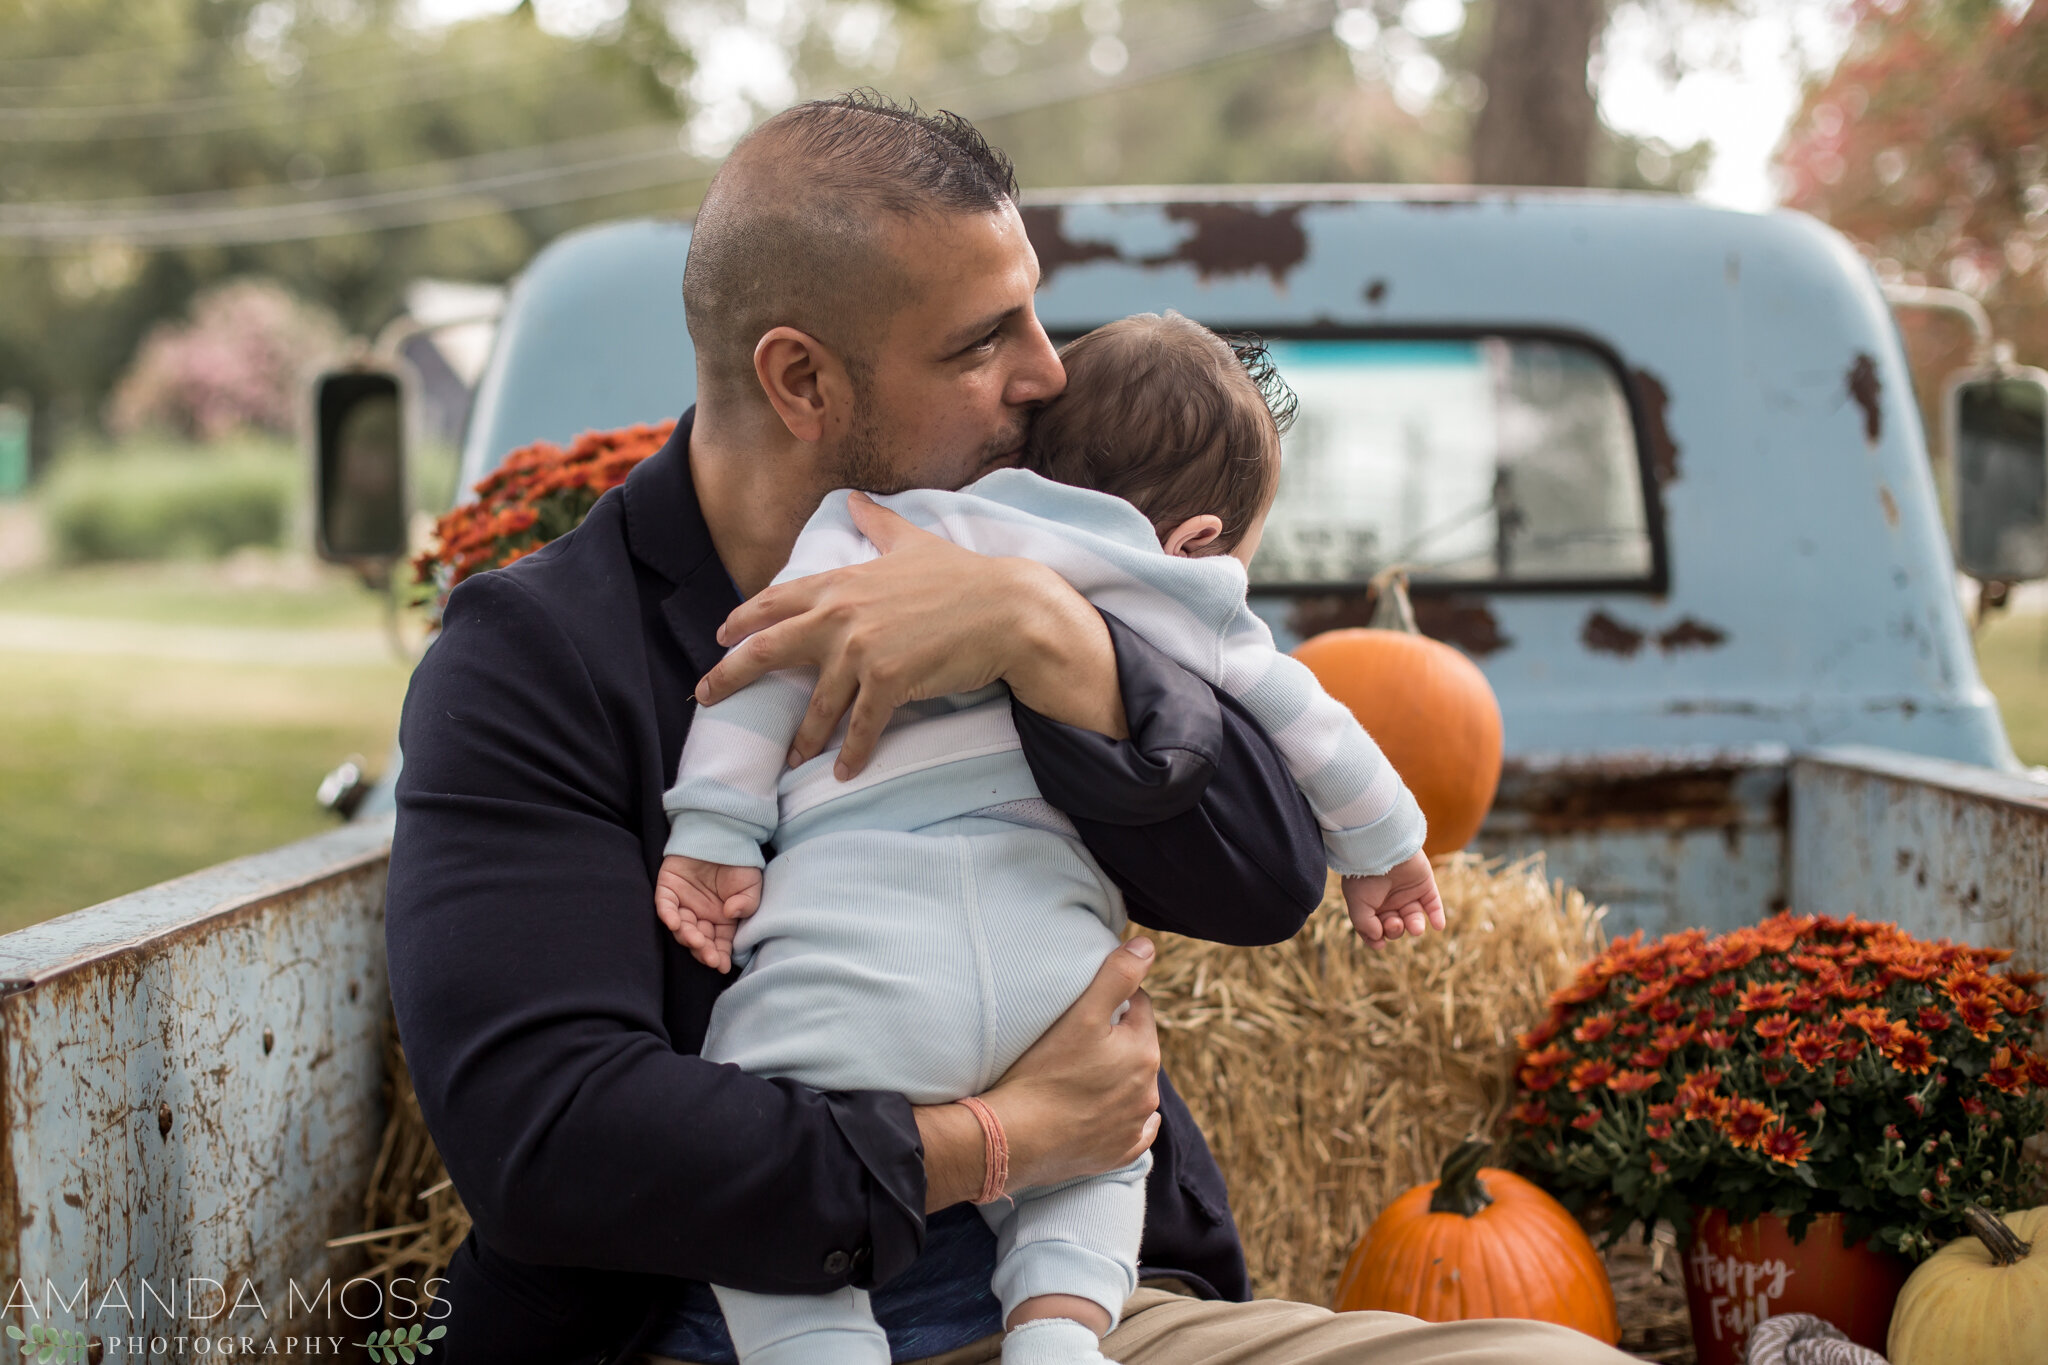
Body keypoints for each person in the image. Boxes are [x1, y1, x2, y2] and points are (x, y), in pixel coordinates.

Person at [385, 90, 1634, 1365]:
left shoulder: (1041, 558)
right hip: (711, 1325)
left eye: (1036, 310)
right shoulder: (539, 658)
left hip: (1084, 1308)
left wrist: (1049, 639)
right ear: (802, 379)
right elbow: (549, 1140)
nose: (1047, 371)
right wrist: (1001, 1140)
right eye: (984, 341)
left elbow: (1264, 881)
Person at [654, 310, 1444, 1365]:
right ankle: (1059, 1335)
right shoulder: (1180, 592)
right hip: (1050, 977)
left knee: (762, 1136)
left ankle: (811, 1346)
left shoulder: (876, 527)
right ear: (1200, 541)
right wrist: (1384, 847)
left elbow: (753, 678)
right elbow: (1311, 726)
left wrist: (713, 835)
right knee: (1102, 1154)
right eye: (982, 336)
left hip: (852, 968)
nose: (1032, 361)